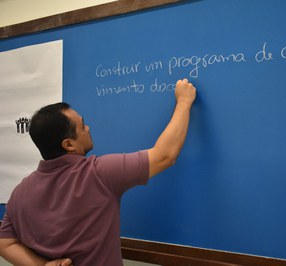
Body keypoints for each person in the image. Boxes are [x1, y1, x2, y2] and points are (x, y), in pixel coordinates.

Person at [0, 78, 196, 265]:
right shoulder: (98, 174)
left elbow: (4, 243)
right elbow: (164, 156)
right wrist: (184, 101)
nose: (88, 127)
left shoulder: (20, 192)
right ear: (69, 144)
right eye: (82, 125)